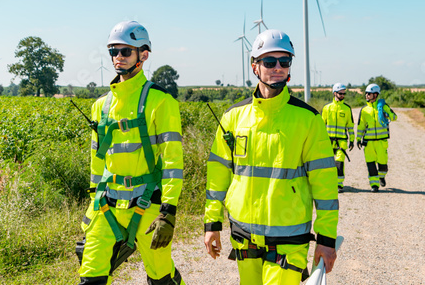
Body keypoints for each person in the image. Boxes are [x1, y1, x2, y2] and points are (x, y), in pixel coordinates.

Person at [203, 29, 339, 285]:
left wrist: (326, 240)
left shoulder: (308, 119)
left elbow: (325, 185)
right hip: (244, 238)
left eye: (284, 61)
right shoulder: (233, 117)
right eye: (269, 61)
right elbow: (217, 177)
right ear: (255, 66)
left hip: (290, 241)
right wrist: (211, 223)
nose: (278, 67)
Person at [78, 21, 185, 284]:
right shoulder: (100, 106)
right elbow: (96, 160)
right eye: (113, 52)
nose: (118, 57)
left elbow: (172, 161)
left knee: (161, 276)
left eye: (125, 51)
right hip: (106, 205)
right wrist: (93, 199)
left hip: (148, 204)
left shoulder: (161, 101)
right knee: (89, 274)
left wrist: (168, 211)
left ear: (143, 55)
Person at [356, 83, 397, 192]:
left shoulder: (384, 107)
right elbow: (361, 126)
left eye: (369, 94)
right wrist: (357, 139)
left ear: (375, 95)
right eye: (366, 93)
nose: (367, 95)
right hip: (368, 143)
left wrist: (386, 114)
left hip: (381, 142)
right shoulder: (364, 110)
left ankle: (382, 176)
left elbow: (394, 117)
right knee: (370, 164)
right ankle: (374, 185)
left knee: (383, 164)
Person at [321, 83, 355, 193]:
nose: (342, 95)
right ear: (334, 93)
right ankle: (328, 183)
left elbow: (350, 126)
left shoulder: (347, 109)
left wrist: (352, 140)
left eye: (344, 93)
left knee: (339, 161)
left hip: (341, 141)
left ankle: (339, 184)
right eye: (340, 93)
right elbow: (321, 126)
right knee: (328, 163)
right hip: (328, 141)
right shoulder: (327, 108)